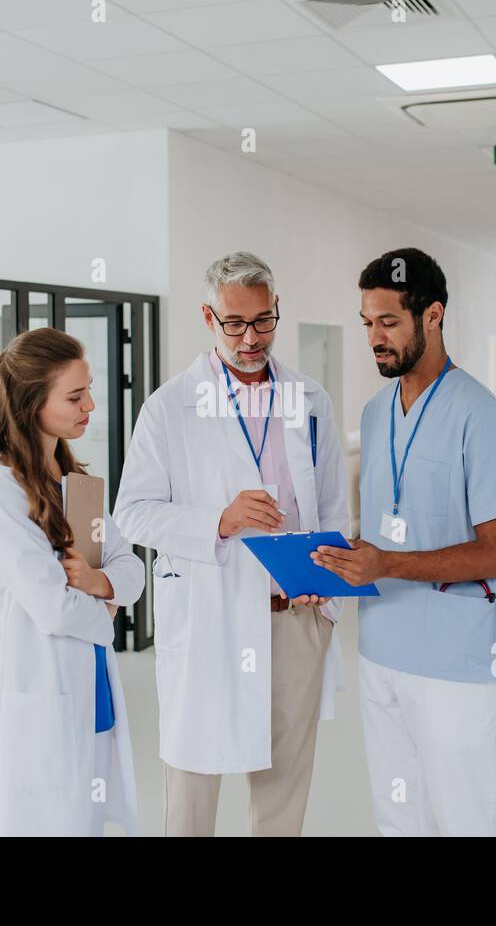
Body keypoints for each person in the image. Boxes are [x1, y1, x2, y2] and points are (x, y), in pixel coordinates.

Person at [113, 251, 349, 836]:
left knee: (285, 784)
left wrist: (325, 594)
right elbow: (132, 514)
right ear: (207, 316)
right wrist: (217, 520)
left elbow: (337, 508)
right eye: (235, 323)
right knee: (193, 779)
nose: (251, 338)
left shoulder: (310, 400)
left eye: (263, 321)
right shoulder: (169, 407)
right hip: (210, 619)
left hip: (295, 618)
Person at [311, 247, 496, 836]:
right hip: (381, 650)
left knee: (467, 817)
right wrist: (343, 559)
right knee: (399, 817)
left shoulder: (483, 417)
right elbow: (390, 526)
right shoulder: (376, 411)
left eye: (388, 322)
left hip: (453, 661)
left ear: (432, 316)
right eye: (367, 323)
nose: (374, 339)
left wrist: (389, 561)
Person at [0, 328, 144, 836]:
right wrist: (107, 607)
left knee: (83, 821)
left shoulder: (76, 483)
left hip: (89, 689)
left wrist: (101, 583)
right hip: (36, 694)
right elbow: (53, 608)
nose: (90, 404)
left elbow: (133, 569)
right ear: (30, 403)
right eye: (74, 395)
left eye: (89, 390)